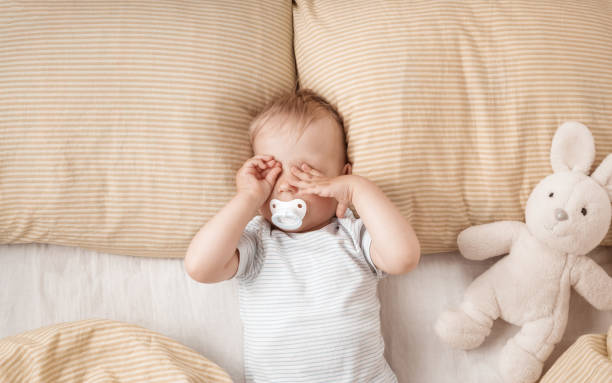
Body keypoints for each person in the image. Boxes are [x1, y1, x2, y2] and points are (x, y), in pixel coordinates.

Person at [184, 88, 420, 382]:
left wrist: (358, 190)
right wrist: (246, 198)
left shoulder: (352, 234)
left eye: (307, 172)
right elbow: (200, 267)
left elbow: (403, 258)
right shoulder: (257, 241)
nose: (286, 187)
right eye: (272, 172)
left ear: (341, 177)